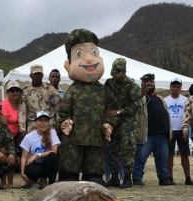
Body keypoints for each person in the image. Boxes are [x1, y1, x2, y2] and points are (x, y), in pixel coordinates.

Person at [58, 28, 113, 185]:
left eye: (93, 53)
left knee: (94, 177)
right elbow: (64, 110)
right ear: (68, 65)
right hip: (73, 139)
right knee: (69, 177)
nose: (89, 60)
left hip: (96, 139)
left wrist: (108, 124)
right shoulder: (73, 89)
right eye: (80, 54)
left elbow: (111, 111)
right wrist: (65, 121)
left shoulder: (103, 90)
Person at [18, 64, 60, 188]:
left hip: (48, 124)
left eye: (39, 74)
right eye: (35, 74)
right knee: (30, 152)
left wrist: (58, 124)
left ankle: (44, 179)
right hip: (32, 124)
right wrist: (22, 129)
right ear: (30, 75)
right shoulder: (25, 91)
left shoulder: (50, 89)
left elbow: (58, 107)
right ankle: (30, 177)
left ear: (42, 75)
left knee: (50, 153)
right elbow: (22, 111)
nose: (37, 76)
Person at [104, 58, 142, 188]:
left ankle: (127, 177)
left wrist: (119, 112)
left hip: (127, 122)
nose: (115, 76)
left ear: (124, 72)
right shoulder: (109, 83)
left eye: (118, 73)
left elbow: (136, 105)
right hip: (113, 123)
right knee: (113, 150)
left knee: (127, 150)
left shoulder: (132, 86)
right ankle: (114, 177)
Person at [133, 74, 174, 185]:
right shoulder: (140, 97)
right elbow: (135, 104)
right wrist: (141, 93)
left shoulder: (159, 97)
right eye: (147, 82)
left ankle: (163, 177)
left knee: (162, 157)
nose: (150, 83)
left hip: (162, 133)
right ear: (142, 84)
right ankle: (137, 178)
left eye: (151, 81)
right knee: (141, 157)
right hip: (147, 133)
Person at [20, 111, 60, 189]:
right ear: (35, 123)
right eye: (40, 120)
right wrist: (22, 173)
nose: (43, 123)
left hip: (46, 163)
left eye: (45, 121)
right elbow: (24, 157)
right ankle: (33, 181)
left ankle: (51, 183)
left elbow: (54, 151)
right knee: (33, 170)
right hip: (35, 164)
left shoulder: (52, 133)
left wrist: (37, 155)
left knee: (53, 157)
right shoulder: (29, 137)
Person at [165, 78, 193, 185]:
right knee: (170, 154)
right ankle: (170, 177)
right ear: (170, 88)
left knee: (184, 153)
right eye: (174, 87)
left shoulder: (185, 100)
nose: (176, 89)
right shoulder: (166, 100)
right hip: (171, 130)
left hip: (182, 130)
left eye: (178, 87)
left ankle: (187, 177)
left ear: (180, 88)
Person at [0, 81, 22, 187]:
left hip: (17, 135)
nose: (15, 93)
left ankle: (11, 182)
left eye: (17, 90)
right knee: (5, 157)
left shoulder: (20, 104)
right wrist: (8, 140)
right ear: (8, 92)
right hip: (5, 135)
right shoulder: (4, 104)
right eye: (12, 90)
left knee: (13, 158)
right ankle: (3, 182)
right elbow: (3, 125)